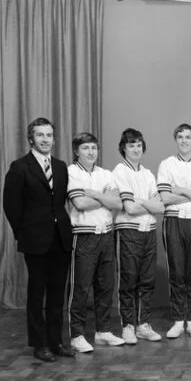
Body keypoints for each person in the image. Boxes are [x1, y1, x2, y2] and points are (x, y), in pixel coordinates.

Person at [3, 117, 74, 362]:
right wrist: (23, 234)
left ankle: (56, 342)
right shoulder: (20, 167)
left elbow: (62, 201)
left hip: (61, 238)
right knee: (37, 293)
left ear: (54, 139)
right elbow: (11, 206)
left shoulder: (61, 166)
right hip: (35, 240)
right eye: (40, 135)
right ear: (31, 138)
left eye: (49, 135)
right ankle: (39, 343)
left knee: (57, 293)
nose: (45, 140)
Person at [66, 132, 126, 353]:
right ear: (76, 151)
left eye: (94, 148)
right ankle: (77, 335)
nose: (91, 152)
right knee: (80, 287)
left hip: (107, 235)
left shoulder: (105, 173)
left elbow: (118, 203)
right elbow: (80, 202)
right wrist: (103, 197)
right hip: (84, 236)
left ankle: (103, 331)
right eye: (85, 148)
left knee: (105, 286)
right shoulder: (71, 172)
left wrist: (96, 195)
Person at [157, 123, 191, 339]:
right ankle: (179, 320)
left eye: (187, 137)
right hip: (174, 221)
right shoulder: (166, 164)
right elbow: (165, 198)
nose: (184, 141)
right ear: (176, 140)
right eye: (180, 137)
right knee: (177, 272)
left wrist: (178, 189)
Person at [112, 128, 165, 345]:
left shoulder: (148, 174)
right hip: (128, 231)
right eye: (131, 145)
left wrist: (140, 201)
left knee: (147, 280)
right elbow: (129, 209)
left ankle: (143, 324)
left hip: (148, 231)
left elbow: (160, 206)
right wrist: (147, 203)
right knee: (128, 280)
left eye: (139, 145)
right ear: (124, 148)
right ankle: (128, 325)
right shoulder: (119, 171)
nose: (136, 149)